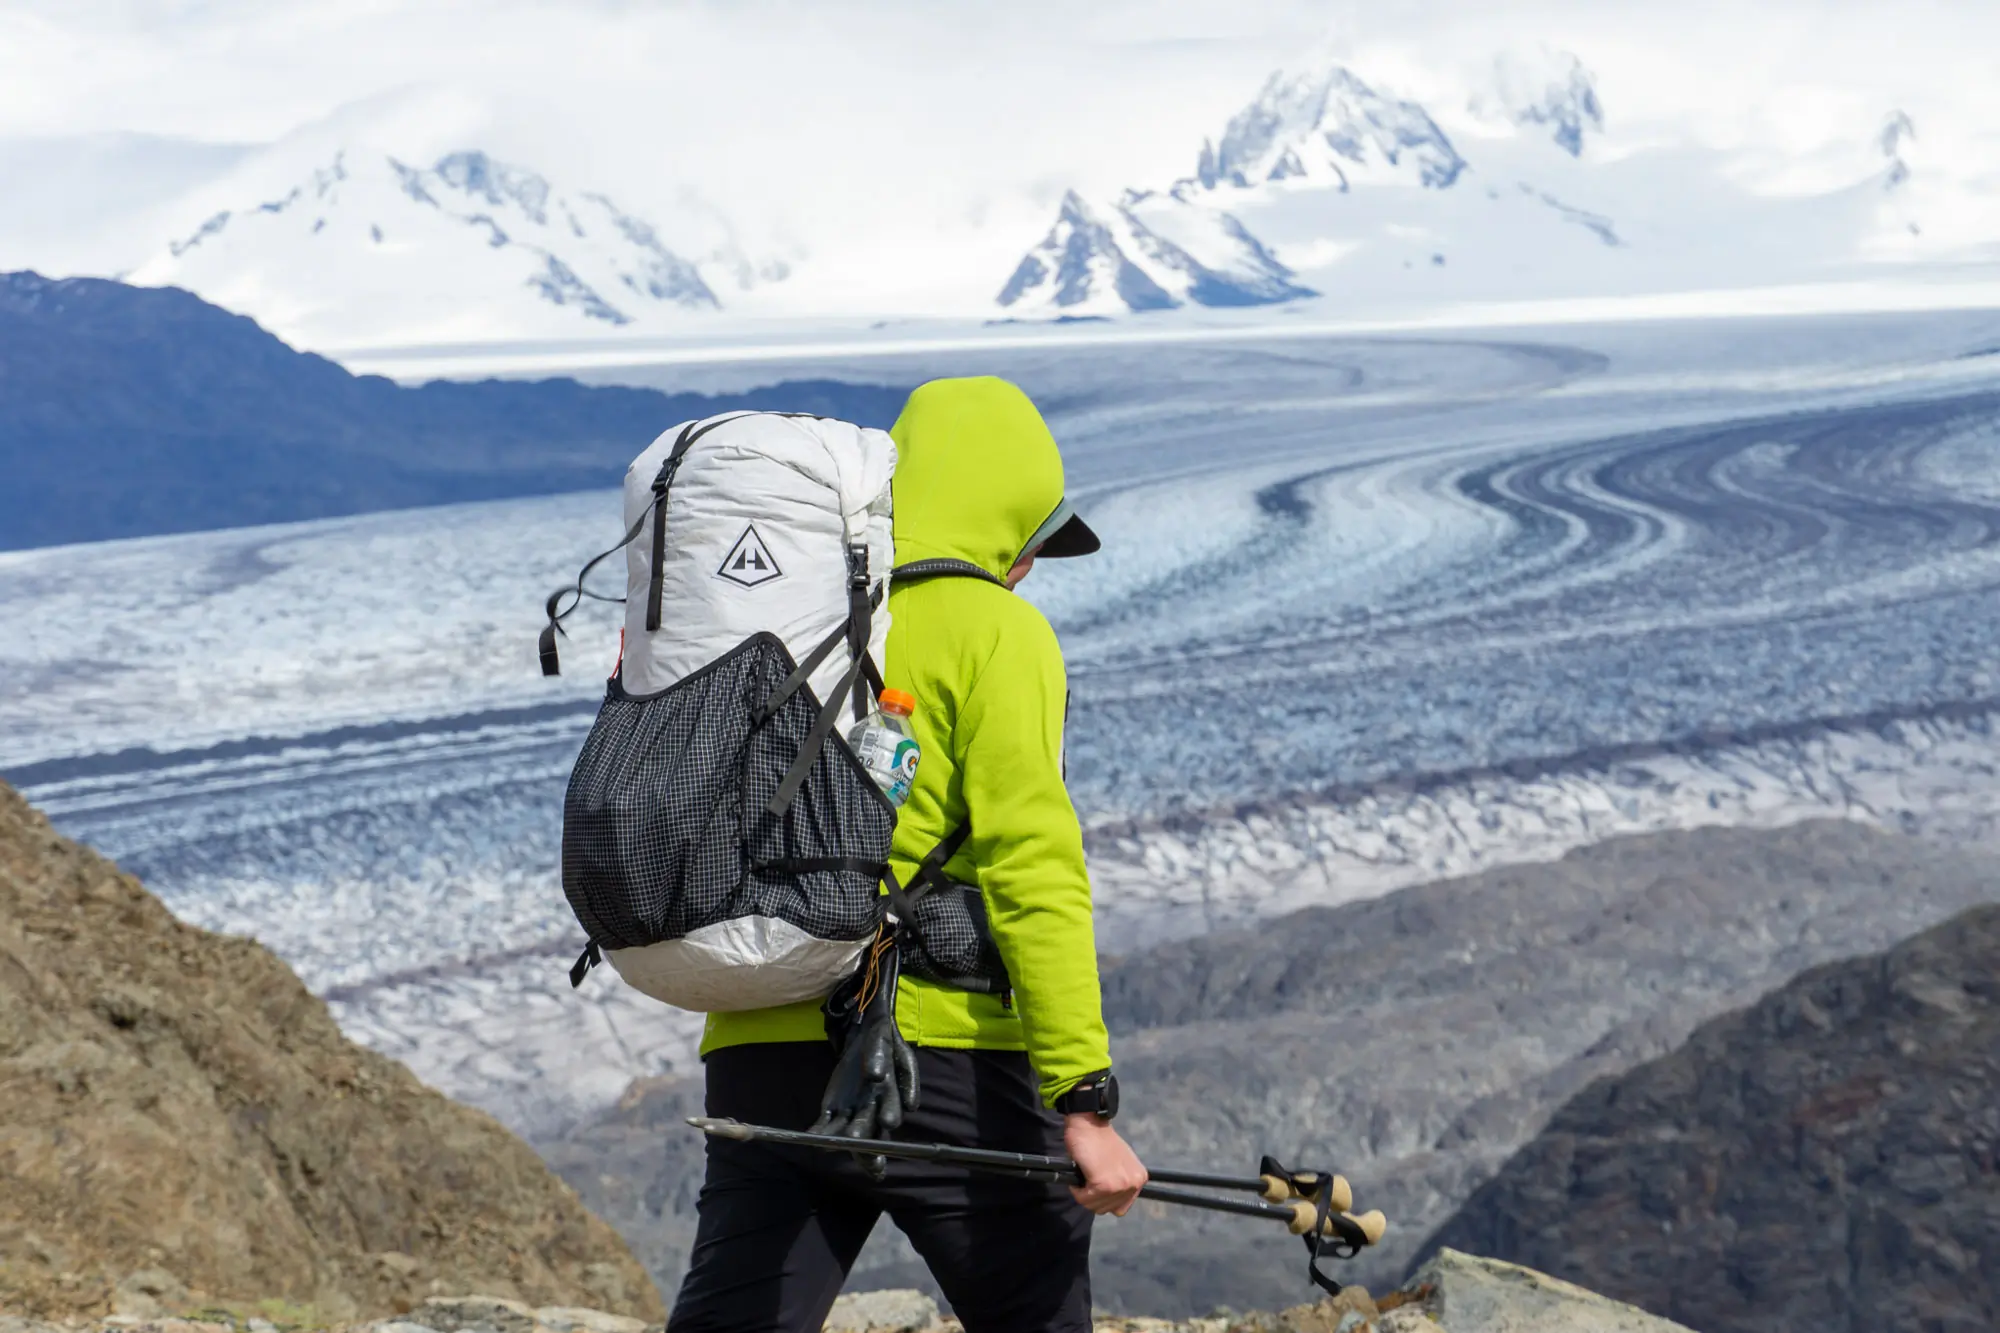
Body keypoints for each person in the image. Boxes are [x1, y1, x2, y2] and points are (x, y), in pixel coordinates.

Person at [670, 377, 1147, 1333]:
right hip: (944, 1064)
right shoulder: (997, 631)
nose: (1027, 569)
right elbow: (1032, 867)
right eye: (1029, 544)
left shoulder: (787, 616)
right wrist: (1083, 1101)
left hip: (761, 1048)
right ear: (1003, 524)